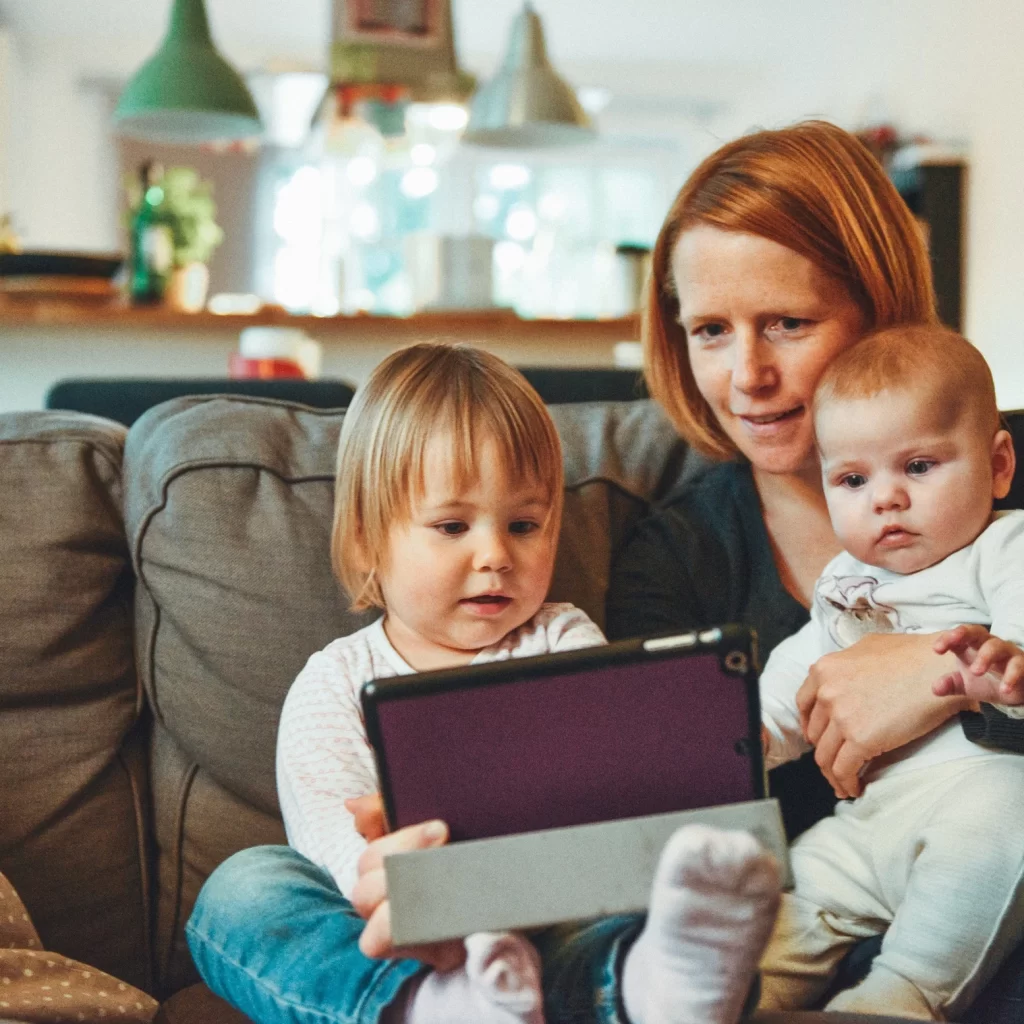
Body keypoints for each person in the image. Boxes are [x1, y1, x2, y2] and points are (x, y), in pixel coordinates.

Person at [186, 342, 784, 1024]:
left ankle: (654, 988)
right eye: (452, 526)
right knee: (243, 888)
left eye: (524, 525)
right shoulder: (333, 683)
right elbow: (335, 853)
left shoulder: (563, 639)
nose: (496, 555)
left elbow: (610, 794)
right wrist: (420, 895)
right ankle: (435, 1007)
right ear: (365, 541)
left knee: (662, 898)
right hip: (404, 939)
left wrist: (693, 756)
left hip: (552, 918)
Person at [606, 119, 1024, 1021]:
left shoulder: (1005, 477)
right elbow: (675, 821)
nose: (748, 374)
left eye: (787, 324)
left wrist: (938, 675)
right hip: (813, 914)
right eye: (710, 330)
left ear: (879, 308)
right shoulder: (676, 560)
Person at [753, 324, 1024, 1019]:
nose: (885, 498)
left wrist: (1010, 662)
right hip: (867, 817)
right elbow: (804, 666)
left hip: (975, 794)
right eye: (852, 479)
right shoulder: (848, 579)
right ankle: (741, 994)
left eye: (919, 467)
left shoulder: (1002, 547)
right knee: (795, 889)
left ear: (998, 466)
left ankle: (898, 997)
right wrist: (753, 733)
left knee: (1001, 824)